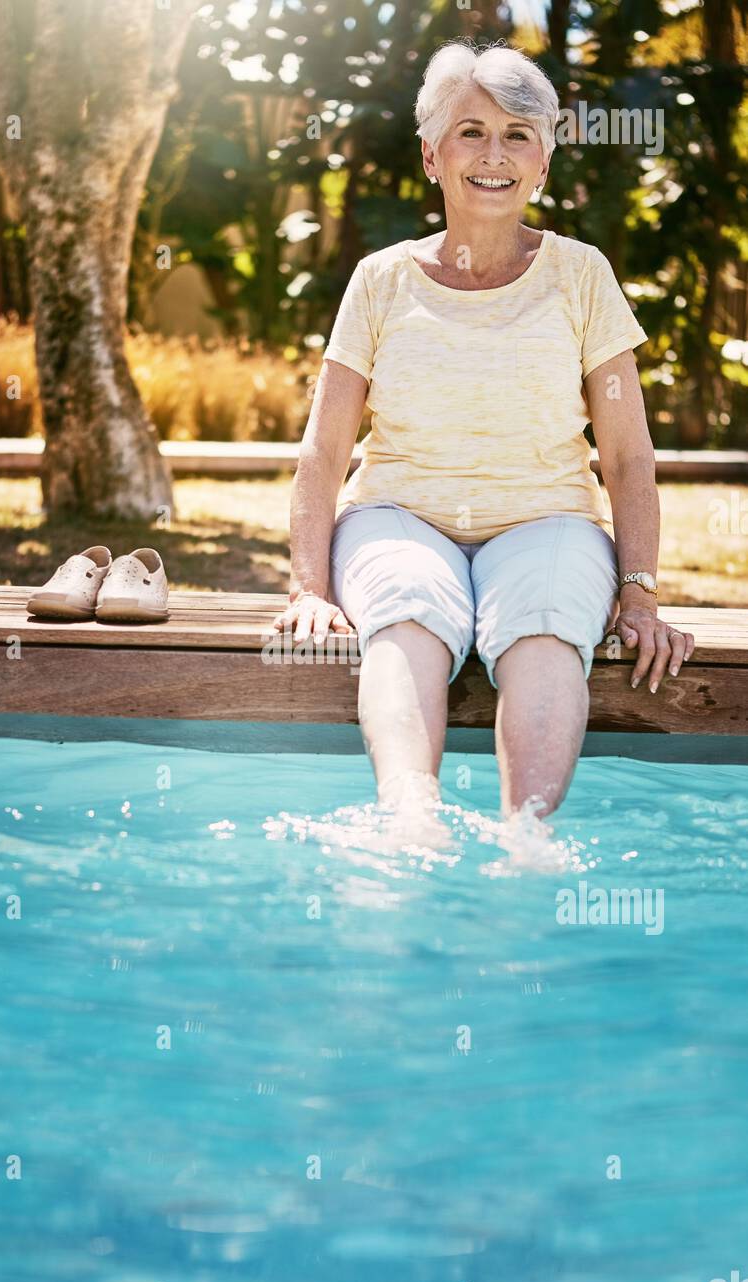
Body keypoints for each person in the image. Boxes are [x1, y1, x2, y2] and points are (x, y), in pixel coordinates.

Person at [274, 38, 694, 826]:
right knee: (404, 618)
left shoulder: (581, 274)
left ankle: (526, 841)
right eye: (470, 132)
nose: (493, 154)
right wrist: (310, 587)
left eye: (517, 135)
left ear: (542, 162)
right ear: (432, 155)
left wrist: (638, 594)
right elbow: (325, 449)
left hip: (549, 520)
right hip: (399, 515)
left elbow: (629, 455)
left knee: (542, 628)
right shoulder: (381, 280)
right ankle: (408, 821)